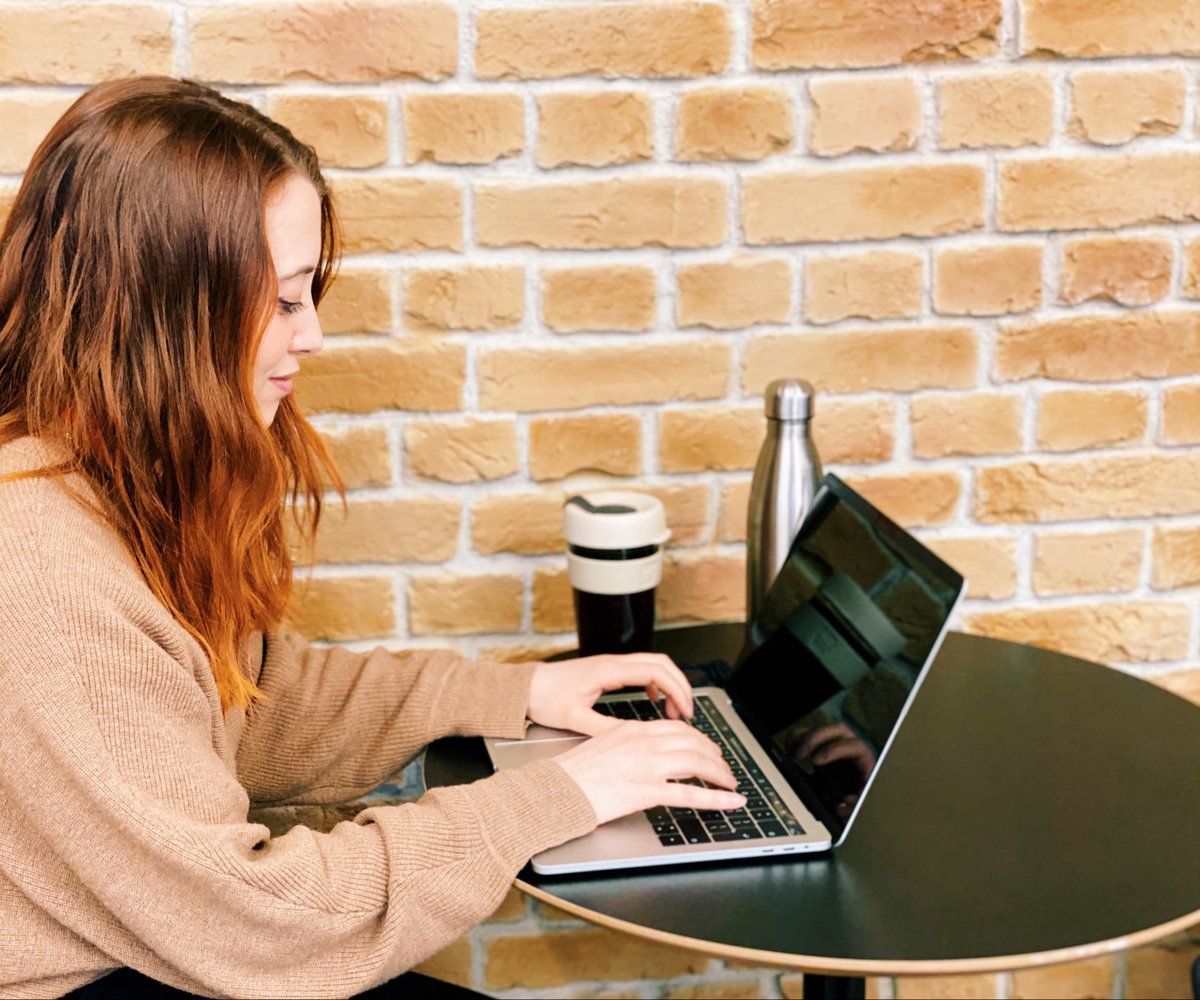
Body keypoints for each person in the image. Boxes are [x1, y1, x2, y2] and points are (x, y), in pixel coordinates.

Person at [0, 76, 745, 999]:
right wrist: (562, 795)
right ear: (161, 313)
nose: (311, 336)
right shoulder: (45, 579)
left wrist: (518, 694)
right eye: (282, 301)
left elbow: (254, 699)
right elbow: (261, 925)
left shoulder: (111, 483)